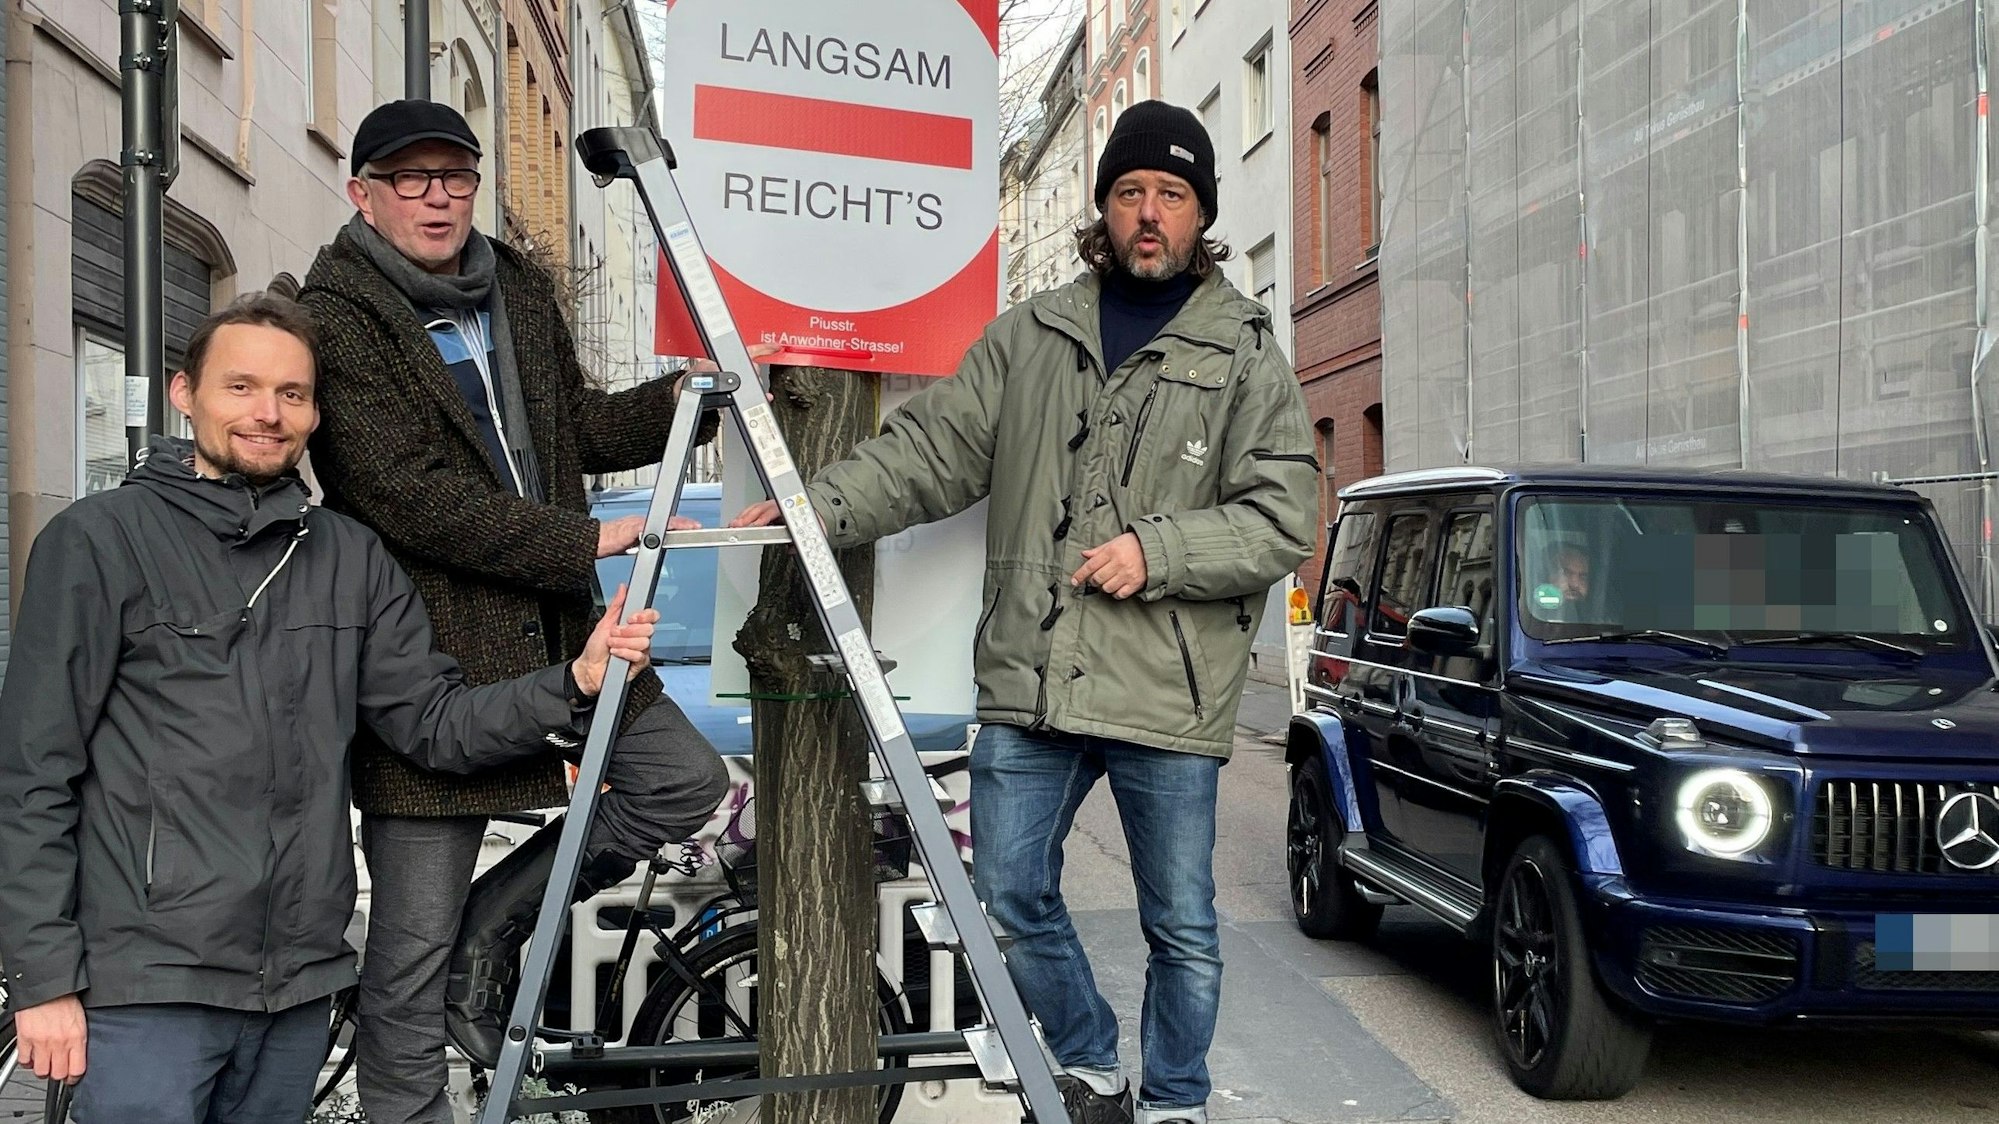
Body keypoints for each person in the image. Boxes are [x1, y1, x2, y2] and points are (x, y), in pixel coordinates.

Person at [731, 100, 1317, 1124]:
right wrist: (812, 501)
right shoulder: (1032, 334)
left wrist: (1161, 549)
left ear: (1199, 216)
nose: (1148, 212)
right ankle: (1089, 1058)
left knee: (1180, 921)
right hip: (1034, 671)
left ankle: (1176, 1100)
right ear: (1104, 208)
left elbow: (1282, 517)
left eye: (1170, 196)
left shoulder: (1246, 358)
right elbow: (931, 450)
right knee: (1005, 895)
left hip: (1165, 689)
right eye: (1130, 191)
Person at [0, 294, 661, 1123]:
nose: (267, 414)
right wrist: (44, 980)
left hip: (301, 982)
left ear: (314, 412)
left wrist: (575, 681)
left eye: (292, 394)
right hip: (150, 982)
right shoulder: (98, 541)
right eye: (240, 387)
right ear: (184, 394)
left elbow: (433, 724)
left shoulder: (348, 555)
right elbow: (32, 774)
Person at [296, 99, 729, 1122]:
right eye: (411, 178)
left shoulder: (515, 290)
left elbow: (578, 426)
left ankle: (490, 936)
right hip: (424, 659)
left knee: (680, 781)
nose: (438, 195)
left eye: (455, 174)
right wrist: (576, 540)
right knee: (407, 960)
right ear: (363, 194)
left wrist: (683, 395)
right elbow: (402, 492)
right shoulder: (337, 316)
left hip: (557, 631)